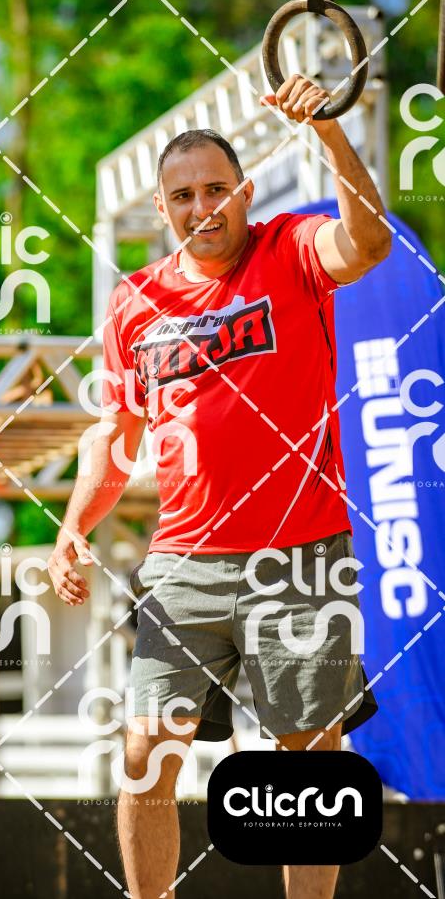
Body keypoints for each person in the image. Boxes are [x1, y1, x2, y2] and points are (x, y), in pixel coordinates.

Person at [48, 74, 391, 899]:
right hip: (183, 561)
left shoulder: (292, 248)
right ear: (161, 209)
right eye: (183, 195)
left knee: (305, 758)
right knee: (144, 751)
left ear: (243, 191)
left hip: (300, 555)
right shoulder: (134, 302)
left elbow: (369, 243)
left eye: (215, 188)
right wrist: (72, 525)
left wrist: (328, 130)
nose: (202, 206)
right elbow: (115, 436)